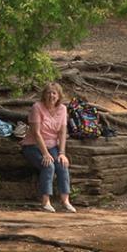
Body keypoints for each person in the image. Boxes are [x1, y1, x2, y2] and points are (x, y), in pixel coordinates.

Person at [23, 83, 75, 213]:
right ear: (44, 95)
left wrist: (62, 152)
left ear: (59, 96)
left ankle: (65, 200)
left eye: (54, 93)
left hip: (52, 145)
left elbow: (62, 132)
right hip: (33, 145)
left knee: (62, 164)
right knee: (48, 165)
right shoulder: (37, 107)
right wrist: (45, 153)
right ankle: (46, 201)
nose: (51, 96)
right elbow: (36, 133)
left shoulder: (62, 109)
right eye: (49, 93)